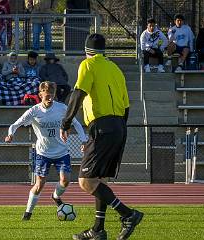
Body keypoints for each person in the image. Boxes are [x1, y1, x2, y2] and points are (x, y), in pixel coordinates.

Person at [60, 33, 143, 240]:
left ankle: (128, 214)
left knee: (85, 181)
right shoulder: (115, 68)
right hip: (119, 126)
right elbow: (125, 107)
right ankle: (98, 230)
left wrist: (66, 123)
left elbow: (78, 93)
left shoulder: (87, 65)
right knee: (100, 180)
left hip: (103, 126)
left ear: (87, 51)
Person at [5, 81, 87, 220]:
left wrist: (83, 140)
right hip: (43, 153)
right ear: (40, 94)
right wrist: (10, 134)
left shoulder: (61, 108)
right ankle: (27, 213)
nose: (50, 98)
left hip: (62, 152)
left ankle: (55, 196)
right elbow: (15, 124)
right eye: (47, 95)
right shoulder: (34, 111)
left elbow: (76, 123)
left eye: (52, 95)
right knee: (39, 184)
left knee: (65, 180)